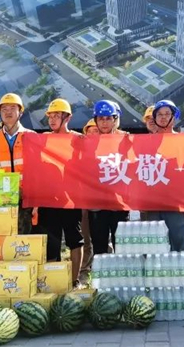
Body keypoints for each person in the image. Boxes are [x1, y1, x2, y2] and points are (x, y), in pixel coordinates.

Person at [41, 98, 84, 285]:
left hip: (71, 198)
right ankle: (54, 282)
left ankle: (74, 280)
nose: (52, 120)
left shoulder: (78, 140)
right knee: (52, 241)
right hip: (49, 198)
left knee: (75, 240)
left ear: (67, 118)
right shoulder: (43, 140)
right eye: (50, 116)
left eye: (56, 116)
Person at [139, 100, 184, 252]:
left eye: (167, 114)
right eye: (159, 114)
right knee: (154, 243)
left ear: (174, 117)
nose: (163, 117)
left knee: (179, 240)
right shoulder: (145, 142)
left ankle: (179, 267)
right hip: (153, 201)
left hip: (177, 200)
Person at [0, 93, 35, 234]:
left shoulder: (31, 136)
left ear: (20, 112)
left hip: (26, 197)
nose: (8, 112)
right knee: (3, 236)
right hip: (3, 196)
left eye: (12, 108)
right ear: (0, 113)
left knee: (24, 237)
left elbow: (37, 168)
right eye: (4, 109)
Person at [87, 100, 130, 255]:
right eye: (101, 119)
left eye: (108, 118)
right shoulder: (88, 143)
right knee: (99, 246)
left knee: (122, 247)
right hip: (96, 203)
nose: (104, 123)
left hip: (119, 203)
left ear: (115, 119)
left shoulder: (126, 140)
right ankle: (100, 271)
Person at [79, 117, 97, 285]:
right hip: (84, 200)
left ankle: (102, 266)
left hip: (102, 201)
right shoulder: (80, 152)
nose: (92, 134)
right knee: (85, 236)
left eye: (95, 131)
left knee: (101, 237)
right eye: (89, 132)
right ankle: (84, 270)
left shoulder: (108, 151)